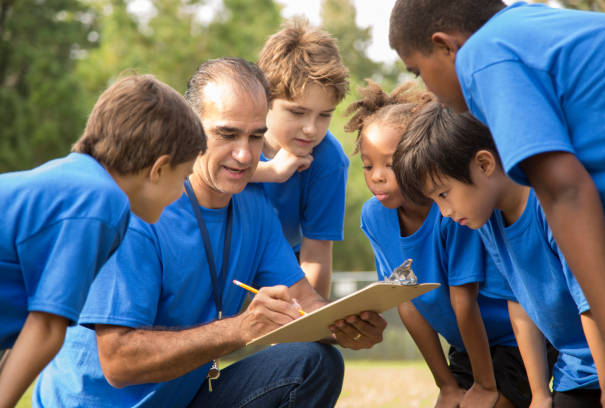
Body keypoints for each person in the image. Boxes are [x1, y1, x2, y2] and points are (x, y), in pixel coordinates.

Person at [34, 57, 386, 408]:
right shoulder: (140, 206)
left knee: (314, 362)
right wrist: (239, 329)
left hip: (185, 398)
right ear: (190, 128)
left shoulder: (255, 209)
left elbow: (304, 303)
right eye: (227, 134)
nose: (244, 154)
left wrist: (346, 326)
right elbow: (118, 361)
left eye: (255, 136)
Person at [388, 2, 605, 404]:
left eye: (418, 71)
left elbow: (566, 192)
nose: (425, 90)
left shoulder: (486, 55)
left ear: (446, 47)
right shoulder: (522, 35)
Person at [0, 74, 205, 407]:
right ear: (158, 169)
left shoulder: (74, 181)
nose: (183, 190)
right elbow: (46, 329)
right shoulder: (102, 202)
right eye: (185, 176)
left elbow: (23, 331)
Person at [346, 80, 535, 407]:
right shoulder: (374, 217)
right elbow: (406, 301)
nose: (376, 175)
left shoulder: (453, 211)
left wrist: (485, 385)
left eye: (390, 164)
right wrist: (446, 385)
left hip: (514, 342)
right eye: (367, 165)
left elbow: (465, 303)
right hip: (465, 350)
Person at [251, 18, 350, 298]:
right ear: (265, 99)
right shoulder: (236, 132)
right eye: (297, 112)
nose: (311, 128)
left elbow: (316, 255)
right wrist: (271, 172)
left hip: (286, 273)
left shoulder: (328, 160)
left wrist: (307, 325)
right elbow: (199, 168)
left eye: (324, 115)